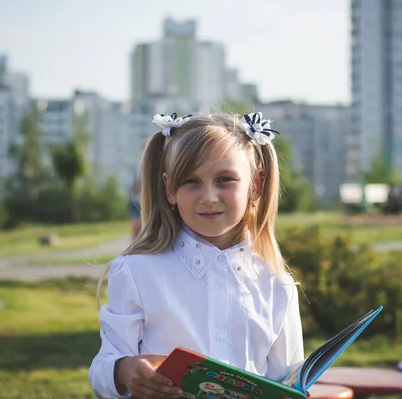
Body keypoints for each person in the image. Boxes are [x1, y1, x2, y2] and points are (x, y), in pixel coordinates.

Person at [89, 112, 304, 399]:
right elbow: (103, 368)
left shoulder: (278, 285)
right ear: (169, 188)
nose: (208, 197)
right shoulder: (136, 272)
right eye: (191, 181)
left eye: (224, 179)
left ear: (255, 184)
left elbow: (288, 385)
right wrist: (125, 371)